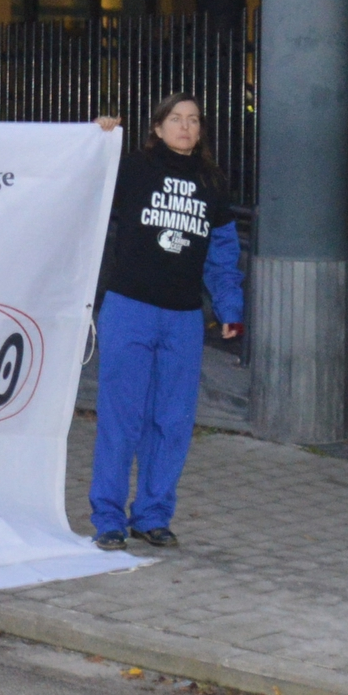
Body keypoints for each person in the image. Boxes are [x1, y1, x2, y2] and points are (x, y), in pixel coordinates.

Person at [86, 95, 244, 550]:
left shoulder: (212, 183)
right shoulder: (133, 169)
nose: (186, 127)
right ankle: (109, 520)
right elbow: (87, 180)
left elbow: (222, 252)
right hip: (129, 308)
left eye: (194, 120)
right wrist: (98, 139)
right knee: (121, 418)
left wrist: (230, 308)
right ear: (156, 127)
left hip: (183, 318)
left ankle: (152, 516)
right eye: (176, 119)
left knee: (172, 421)